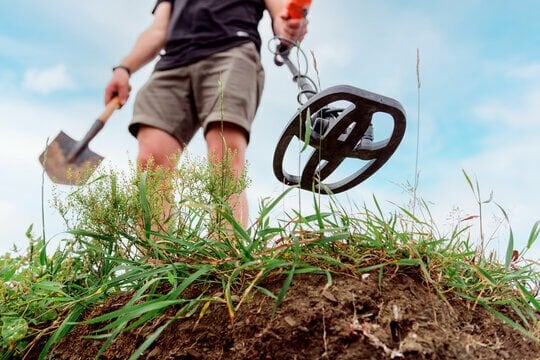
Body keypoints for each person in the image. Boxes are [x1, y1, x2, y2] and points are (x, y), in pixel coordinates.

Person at [104, 0, 308, 227]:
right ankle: (153, 258)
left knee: (224, 155)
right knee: (150, 162)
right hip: (172, 64)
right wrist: (123, 69)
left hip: (231, 51)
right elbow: (158, 29)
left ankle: (226, 252)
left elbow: (281, 12)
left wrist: (288, 26)